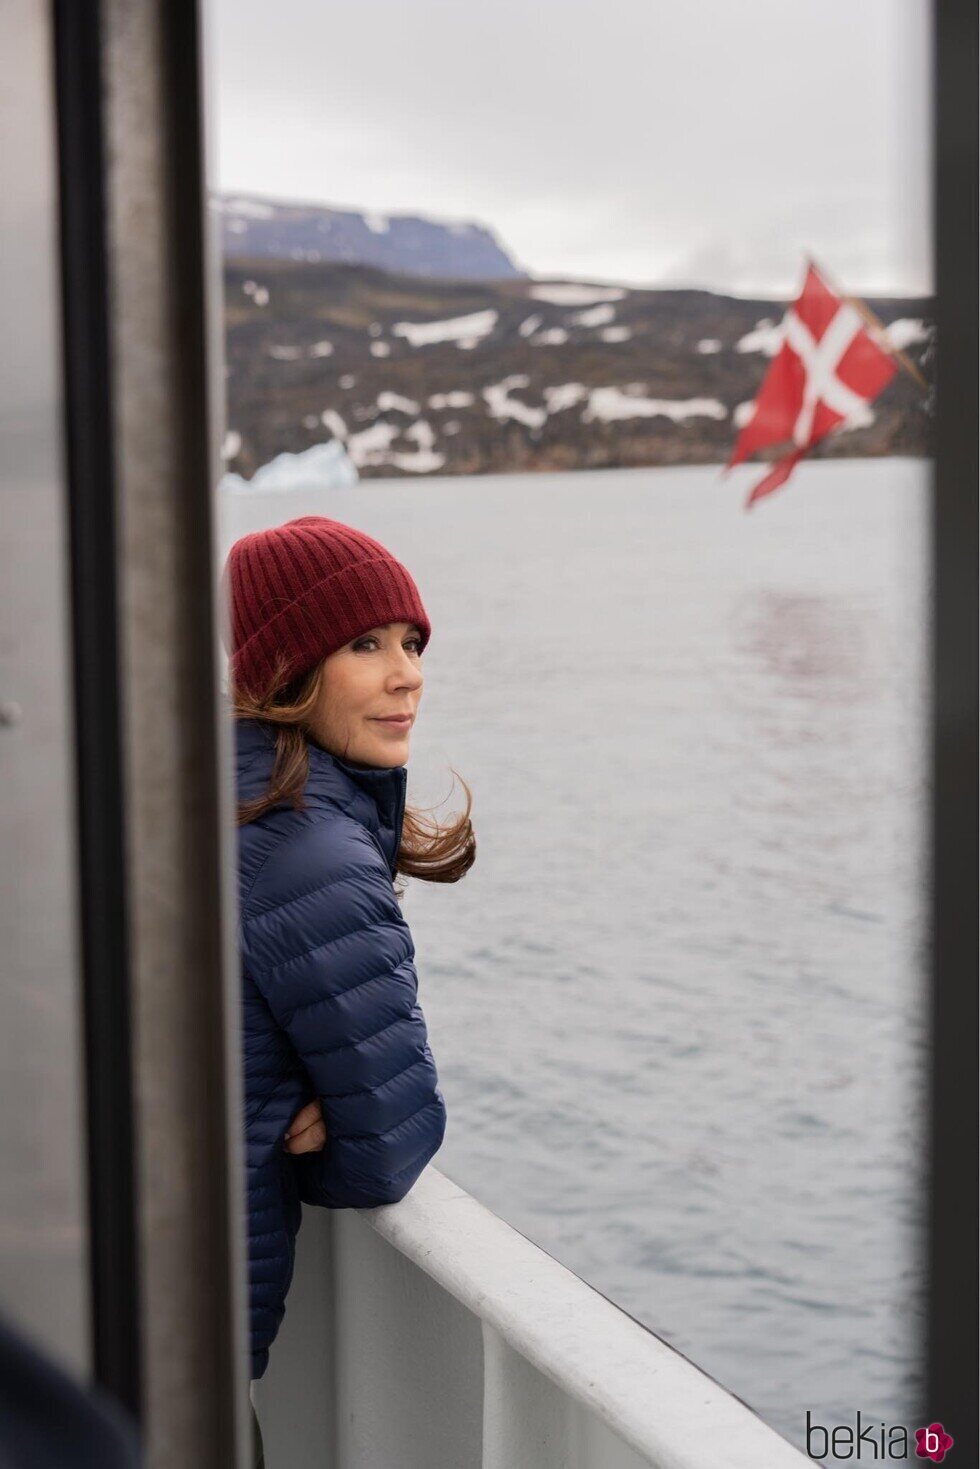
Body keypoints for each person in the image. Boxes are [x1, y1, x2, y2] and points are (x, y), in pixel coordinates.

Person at [223, 515, 475, 1463]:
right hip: (187, 1337)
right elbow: (393, 1140)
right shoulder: (310, 853)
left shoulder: (198, 796)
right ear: (284, 668)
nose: (406, 671)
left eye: (411, 641)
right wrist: (297, 1141)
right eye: (365, 644)